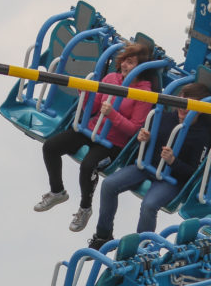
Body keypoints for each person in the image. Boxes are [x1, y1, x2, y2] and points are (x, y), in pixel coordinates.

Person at [34, 42, 153, 232]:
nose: (124, 65)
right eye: (123, 61)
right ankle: (57, 191)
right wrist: (86, 95)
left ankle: (85, 208)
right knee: (50, 147)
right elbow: (95, 107)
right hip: (92, 129)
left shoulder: (144, 93)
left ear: (140, 68)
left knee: (88, 165)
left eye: (130, 63)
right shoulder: (111, 78)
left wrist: (113, 115)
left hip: (113, 143)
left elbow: (133, 129)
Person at [88, 82, 211, 248]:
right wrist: (143, 140)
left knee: (149, 205)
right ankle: (103, 234)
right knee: (109, 185)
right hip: (146, 167)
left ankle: (142, 249)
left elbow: (193, 173)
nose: (183, 109)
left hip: (171, 179)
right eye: (182, 103)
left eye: (189, 106)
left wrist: (173, 161)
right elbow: (144, 147)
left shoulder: (201, 135)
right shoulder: (164, 118)